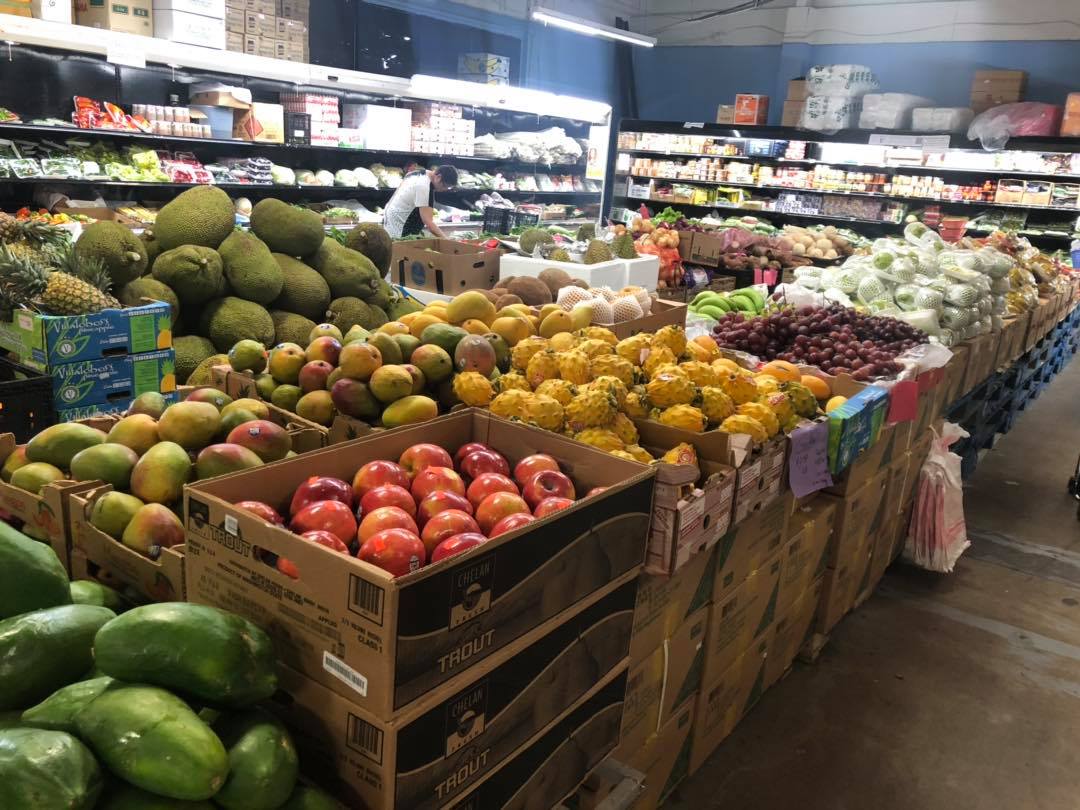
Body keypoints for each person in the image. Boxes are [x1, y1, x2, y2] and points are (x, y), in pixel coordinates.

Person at [383, 164, 458, 239]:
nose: (445, 190)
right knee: (400, 244)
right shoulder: (424, 187)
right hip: (400, 224)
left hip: (390, 216)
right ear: (438, 177)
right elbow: (428, 222)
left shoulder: (418, 173)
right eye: (445, 186)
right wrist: (447, 240)